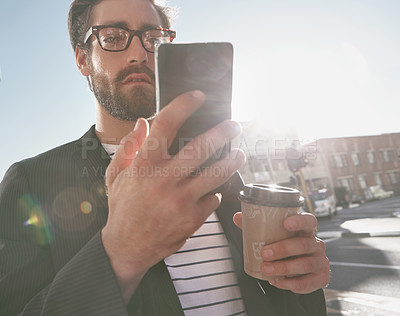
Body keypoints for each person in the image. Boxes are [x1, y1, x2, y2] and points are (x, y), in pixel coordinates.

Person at [0, 0, 330, 314]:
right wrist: (120, 252)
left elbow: (275, 295)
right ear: (83, 59)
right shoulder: (31, 180)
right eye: (113, 37)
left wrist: (301, 278)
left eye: (152, 39)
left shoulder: (212, 164)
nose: (138, 53)